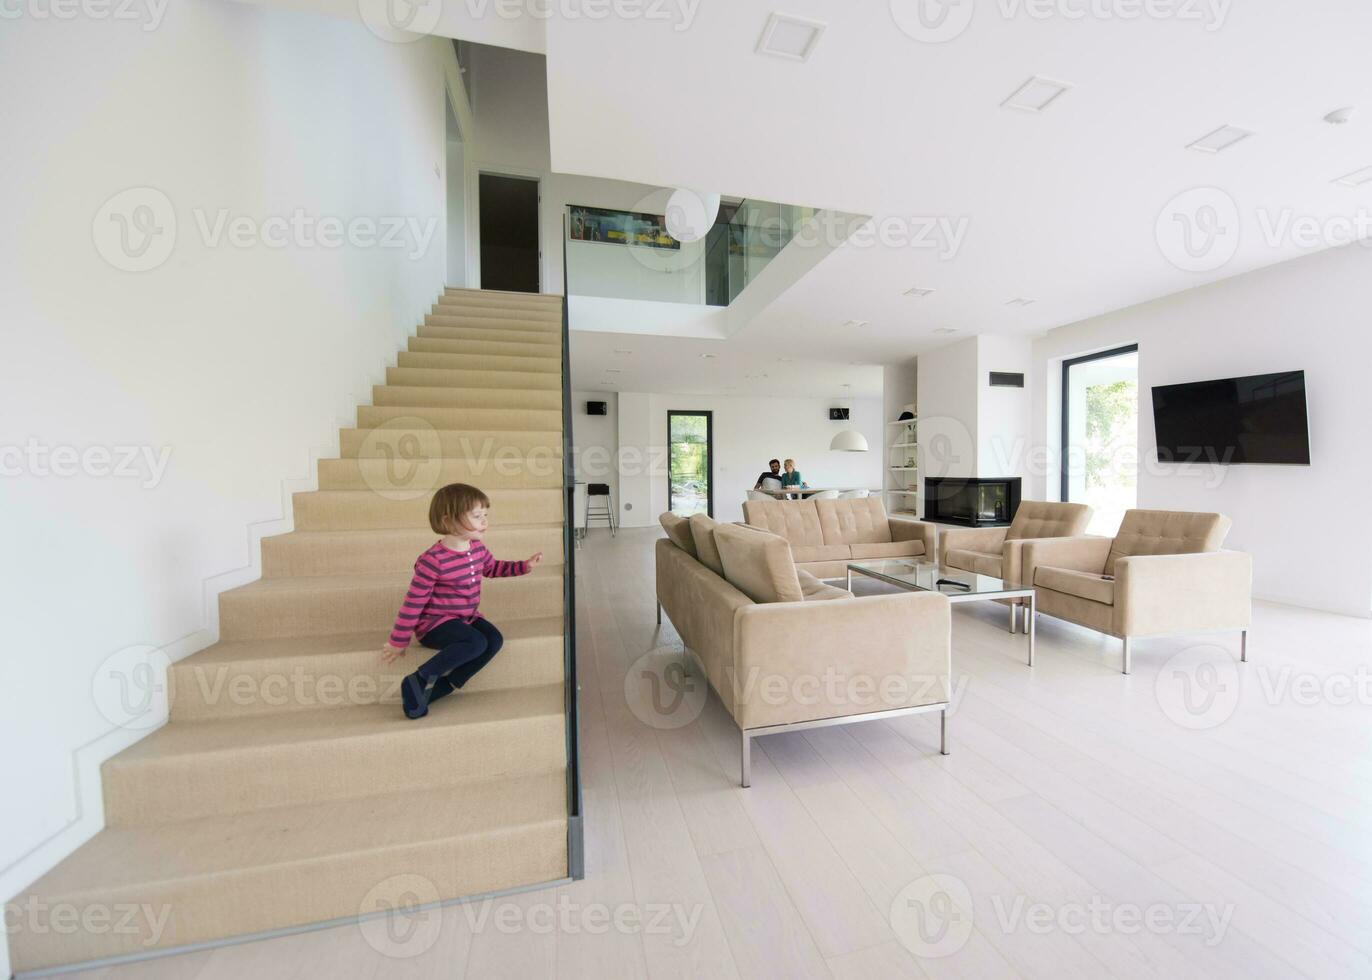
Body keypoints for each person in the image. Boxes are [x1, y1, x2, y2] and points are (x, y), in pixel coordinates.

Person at [381, 483, 543, 719]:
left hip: (466, 617)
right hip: (434, 625)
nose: (484, 522)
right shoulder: (433, 560)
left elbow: (493, 567)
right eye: (477, 516)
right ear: (448, 521)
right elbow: (413, 602)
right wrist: (399, 640)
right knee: (476, 643)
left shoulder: (476, 548)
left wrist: (524, 566)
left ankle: (446, 686)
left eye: (485, 515)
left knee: (494, 640)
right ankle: (417, 680)